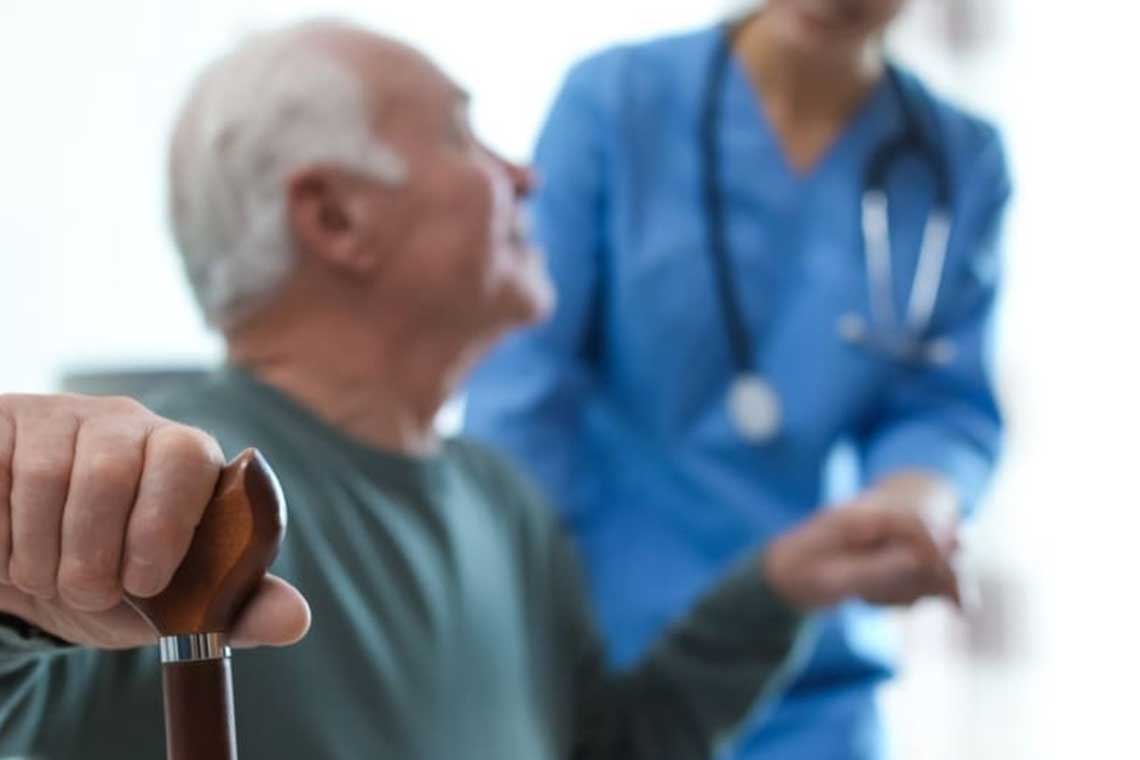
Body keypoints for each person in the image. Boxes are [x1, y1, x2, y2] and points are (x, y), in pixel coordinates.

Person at [0, 19, 961, 760]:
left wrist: (779, 589)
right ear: (336, 217)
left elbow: (608, 747)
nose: (528, 176)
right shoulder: (161, 506)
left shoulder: (502, 506)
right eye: (465, 134)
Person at [465, 2, 1011, 758]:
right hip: (613, 642)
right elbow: (523, 385)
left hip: (817, 664)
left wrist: (913, 503)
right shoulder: (618, 100)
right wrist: (508, 616)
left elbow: (943, 403)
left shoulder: (956, 157)